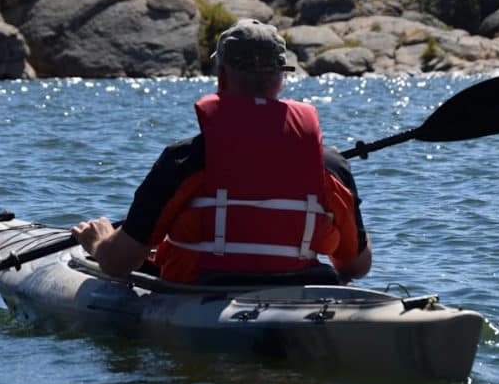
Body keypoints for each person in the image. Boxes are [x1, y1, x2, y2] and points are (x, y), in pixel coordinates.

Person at [72, 18, 371, 284]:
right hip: (297, 297)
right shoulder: (331, 165)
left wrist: (98, 243)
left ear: (222, 76)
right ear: (282, 78)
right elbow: (357, 266)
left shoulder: (185, 161)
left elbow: (118, 263)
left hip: (201, 299)